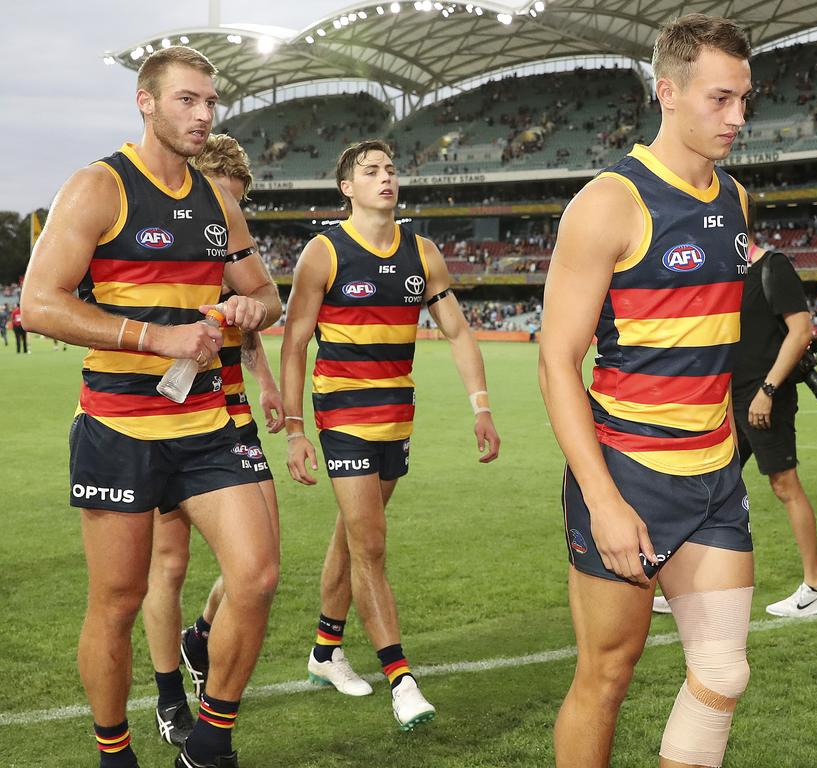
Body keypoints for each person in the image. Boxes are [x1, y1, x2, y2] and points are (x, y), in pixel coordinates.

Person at [19, 46, 281, 768]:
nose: (202, 116)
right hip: (117, 429)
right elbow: (41, 304)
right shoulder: (97, 187)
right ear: (146, 102)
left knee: (256, 577)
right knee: (119, 600)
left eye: (209, 103)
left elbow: (267, 295)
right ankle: (115, 753)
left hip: (204, 427)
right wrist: (153, 335)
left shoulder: (217, 200)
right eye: (186, 101)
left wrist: (243, 308)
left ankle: (210, 742)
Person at [539, 15, 754, 767]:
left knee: (724, 674)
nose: (737, 118)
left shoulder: (736, 198)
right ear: (668, 91)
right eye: (720, 99)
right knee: (605, 677)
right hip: (631, 473)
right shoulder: (609, 202)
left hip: (717, 474)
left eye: (743, 100)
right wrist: (603, 500)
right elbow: (556, 360)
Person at [280, 139, 500, 731]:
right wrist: (296, 428)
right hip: (342, 416)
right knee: (371, 547)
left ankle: (325, 652)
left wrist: (480, 406)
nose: (386, 178)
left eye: (391, 169)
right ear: (346, 187)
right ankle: (401, 680)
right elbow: (296, 341)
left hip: (396, 416)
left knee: (352, 538)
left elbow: (456, 332)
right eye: (370, 171)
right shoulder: (323, 253)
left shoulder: (423, 253)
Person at [140, 134, 285, 748]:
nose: (227, 225)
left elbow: (252, 310)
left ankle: (201, 635)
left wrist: (269, 380)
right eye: (222, 205)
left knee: (260, 562)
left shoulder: (229, 234)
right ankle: (170, 697)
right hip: (165, 414)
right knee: (169, 563)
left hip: (232, 415)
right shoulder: (165, 231)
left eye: (236, 210)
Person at [732, 238, 817, 617]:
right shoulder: (730, 271)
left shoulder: (773, 266)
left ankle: (816, 587)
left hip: (763, 396)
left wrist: (768, 390)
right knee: (710, 486)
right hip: (730, 397)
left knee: (784, 484)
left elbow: (800, 331)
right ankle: (697, 587)